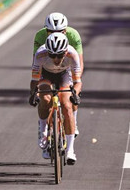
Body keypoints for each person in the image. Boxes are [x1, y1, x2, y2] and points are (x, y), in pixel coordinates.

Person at [29, 32, 82, 164]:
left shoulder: (72, 54)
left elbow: (78, 82)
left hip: (64, 75)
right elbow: (34, 80)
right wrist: (33, 94)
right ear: (48, 52)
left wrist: (75, 94)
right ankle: (43, 130)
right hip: (46, 74)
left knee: (67, 105)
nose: (56, 59)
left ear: (65, 52)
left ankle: (70, 150)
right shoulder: (40, 54)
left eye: (59, 55)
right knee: (45, 99)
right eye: (52, 55)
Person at [33, 12, 83, 133]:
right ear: (46, 30)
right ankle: (43, 126)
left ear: (65, 30)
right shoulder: (40, 36)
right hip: (46, 68)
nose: (55, 34)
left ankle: (73, 121)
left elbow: (79, 63)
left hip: (67, 68)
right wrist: (36, 90)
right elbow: (36, 63)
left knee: (69, 99)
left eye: (60, 31)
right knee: (45, 98)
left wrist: (76, 83)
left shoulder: (73, 35)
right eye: (50, 31)